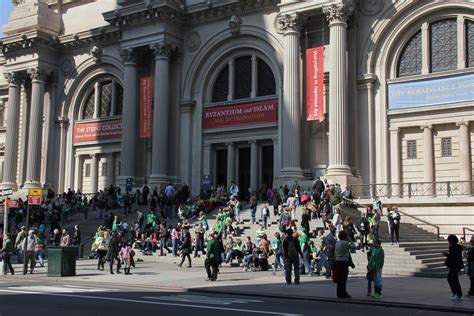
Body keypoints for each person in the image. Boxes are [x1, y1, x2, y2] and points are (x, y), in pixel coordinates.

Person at [335, 230, 356, 299]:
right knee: (343, 279)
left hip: (337, 261)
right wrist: (351, 240)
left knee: (339, 278)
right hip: (344, 262)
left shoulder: (337, 243)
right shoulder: (345, 243)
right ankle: (343, 293)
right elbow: (354, 247)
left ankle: (339, 293)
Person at [444, 234, 464, 301]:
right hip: (456, 265)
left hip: (453, 265)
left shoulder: (452, 247)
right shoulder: (458, 246)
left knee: (453, 279)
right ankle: (456, 293)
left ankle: (458, 294)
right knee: (452, 278)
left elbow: (452, 257)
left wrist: (446, 254)